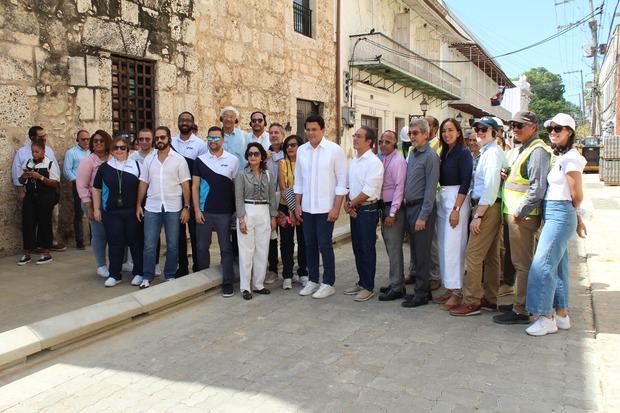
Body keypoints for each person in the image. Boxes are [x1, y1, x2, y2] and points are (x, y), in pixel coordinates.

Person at [525, 113, 587, 336]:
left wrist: (576, 215)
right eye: (550, 128)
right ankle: (560, 314)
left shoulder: (571, 158)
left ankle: (545, 316)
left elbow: (576, 194)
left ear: (569, 131)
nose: (553, 132)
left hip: (560, 212)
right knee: (558, 266)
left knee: (541, 265)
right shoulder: (562, 156)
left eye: (558, 129)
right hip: (556, 212)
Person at [493, 111, 552, 325]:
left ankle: (521, 309)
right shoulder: (524, 149)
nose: (515, 128)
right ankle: (520, 302)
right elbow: (521, 180)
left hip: (522, 217)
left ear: (533, 127)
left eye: (520, 125)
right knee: (519, 261)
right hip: (515, 213)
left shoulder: (537, 151)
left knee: (522, 263)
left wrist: (521, 211)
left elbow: (537, 188)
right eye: (513, 124)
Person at [450, 117, 506, 316]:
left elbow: (490, 187)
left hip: (487, 207)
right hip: (489, 206)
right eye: (477, 129)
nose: (479, 132)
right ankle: (489, 298)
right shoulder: (489, 152)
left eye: (484, 129)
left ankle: (472, 301)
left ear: (494, 131)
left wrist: (479, 215)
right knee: (491, 256)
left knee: (473, 255)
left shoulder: (491, 154)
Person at [295, 115, 348, 299]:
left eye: (314, 129)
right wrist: (297, 205)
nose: (311, 133)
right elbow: (299, 180)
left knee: (324, 244)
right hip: (308, 207)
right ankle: (313, 280)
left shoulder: (335, 150)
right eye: (308, 129)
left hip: (326, 208)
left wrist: (336, 208)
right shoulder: (302, 150)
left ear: (323, 130)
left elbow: (342, 182)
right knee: (309, 244)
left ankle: (328, 282)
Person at [136, 126, 191, 289]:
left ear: (169, 139)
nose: (159, 140)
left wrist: (186, 207)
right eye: (157, 138)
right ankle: (147, 276)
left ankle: (169, 275)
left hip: (173, 207)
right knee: (149, 244)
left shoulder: (179, 160)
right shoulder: (149, 159)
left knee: (173, 244)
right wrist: (138, 204)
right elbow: (143, 183)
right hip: (152, 207)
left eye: (162, 137)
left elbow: (185, 185)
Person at [192, 126, 239, 297]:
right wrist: (197, 210)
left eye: (216, 138)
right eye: (210, 138)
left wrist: (236, 211)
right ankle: (204, 281)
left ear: (223, 140)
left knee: (226, 249)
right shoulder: (200, 160)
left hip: (225, 213)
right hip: (204, 212)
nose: (213, 141)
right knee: (201, 247)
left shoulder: (233, 160)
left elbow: (235, 188)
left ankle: (228, 283)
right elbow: (194, 186)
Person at [92, 135, 143, 287]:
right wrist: (96, 209)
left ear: (128, 150)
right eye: (116, 148)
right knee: (115, 243)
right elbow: (96, 189)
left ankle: (139, 272)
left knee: (135, 242)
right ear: (112, 151)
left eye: (123, 148)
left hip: (132, 212)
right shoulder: (105, 168)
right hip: (111, 212)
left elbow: (143, 187)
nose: (119, 150)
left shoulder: (137, 165)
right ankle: (115, 274)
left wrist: (140, 206)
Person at [433, 118, 473, 310]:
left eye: (450, 130)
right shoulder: (445, 153)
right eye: (444, 131)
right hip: (444, 198)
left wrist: (456, 209)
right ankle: (448, 286)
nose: (446, 134)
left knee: (454, 246)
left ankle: (457, 291)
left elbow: (466, 182)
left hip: (457, 200)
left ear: (458, 132)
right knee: (443, 246)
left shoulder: (463, 154)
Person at [402, 118, 440, 308]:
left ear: (426, 134)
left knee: (423, 253)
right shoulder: (413, 153)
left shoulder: (430, 156)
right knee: (416, 253)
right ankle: (421, 289)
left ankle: (422, 293)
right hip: (410, 207)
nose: (412, 136)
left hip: (421, 209)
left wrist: (423, 216)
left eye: (416, 133)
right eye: (410, 133)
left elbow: (430, 189)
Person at [343, 126, 384, 302]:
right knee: (357, 248)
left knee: (367, 248)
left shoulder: (373, 163)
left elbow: (368, 191)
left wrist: (351, 204)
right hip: (355, 209)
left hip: (367, 209)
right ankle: (361, 281)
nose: (355, 138)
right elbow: (349, 186)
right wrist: (349, 204)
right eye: (354, 135)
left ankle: (368, 286)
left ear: (369, 141)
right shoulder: (355, 161)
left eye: (359, 136)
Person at [235, 142, 277, 300]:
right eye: (250, 154)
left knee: (262, 249)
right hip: (248, 210)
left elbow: (272, 197)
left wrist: (273, 217)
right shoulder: (241, 175)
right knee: (246, 250)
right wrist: (241, 219)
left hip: (264, 211)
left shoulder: (268, 175)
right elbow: (238, 197)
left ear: (262, 157)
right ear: (247, 156)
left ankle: (258, 284)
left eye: (256, 154)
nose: (253, 156)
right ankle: (245, 287)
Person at [12, 126, 64, 252]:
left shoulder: (49, 151)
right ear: (32, 138)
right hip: (31, 192)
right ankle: (32, 247)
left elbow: (54, 170)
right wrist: (20, 190)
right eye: (41, 137)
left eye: (44, 136)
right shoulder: (22, 153)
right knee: (30, 221)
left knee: (48, 220)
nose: (44, 138)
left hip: (47, 192)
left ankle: (47, 244)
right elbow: (16, 171)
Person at [172, 111, 208, 277]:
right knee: (179, 233)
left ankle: (198, 265)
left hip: (193, 194)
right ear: (178, 123)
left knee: (195, 232)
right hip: (175, 194)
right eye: (182, 120)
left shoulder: (200, 144)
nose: (184, 122)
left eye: (187, 120)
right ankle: (183, 266)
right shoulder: (171, 142)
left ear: (192, 123)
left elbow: (201, 171)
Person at [17, 140, 60, 265]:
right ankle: (27, 253)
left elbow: (54, 182)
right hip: (30, 197)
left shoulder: (49, 164)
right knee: (28, 223)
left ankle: (45, 253)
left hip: (45, 197)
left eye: (37, 152)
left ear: (43, 151)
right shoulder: (28, 163)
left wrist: (39, 177)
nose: (34, 154)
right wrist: (24, 176)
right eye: (33, 152)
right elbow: (20, 180)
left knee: (44, 223)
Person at [377, 130, 408, 301]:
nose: (383, 144)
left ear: (395, 143)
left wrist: (393, 212)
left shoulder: (398, 162)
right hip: (384, 207)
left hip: (392, 209)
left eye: (387, 142)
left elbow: (399, 188)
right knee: (390, 247)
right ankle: (396, 281)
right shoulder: (384, 159)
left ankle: (397, 287)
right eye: (381, 141)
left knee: (394, 248)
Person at [76, 130, 112, 277]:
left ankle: (121, 262)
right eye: (95, 141)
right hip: (93, 202)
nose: (98, 143)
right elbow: (81, 185)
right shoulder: (88, 161)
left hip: (111, 202)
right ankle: (101, 265)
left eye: (101, 140)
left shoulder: (112, 158)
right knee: (99, 234)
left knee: (115, 234)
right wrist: (89, 207)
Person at [130, 129, 162, 277]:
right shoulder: (132, 157)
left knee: (153, 234)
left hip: (154, 198)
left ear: (153, 140)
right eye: (141, 139)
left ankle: (154, 264)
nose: (144, 142)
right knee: (138, 234)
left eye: (147, 139)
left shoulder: (157, 155)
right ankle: (138, 264)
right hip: (137, 198)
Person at [278, 134, 307, 290]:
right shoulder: (282, 163)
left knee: (304, 240)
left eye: (293, 145)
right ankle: (287, 274)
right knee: (286, 241)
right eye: (287, 145)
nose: (290, 147)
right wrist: (292, 208)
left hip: (303, 207)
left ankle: (303, 272)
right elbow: (283, 188)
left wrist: (298, 208)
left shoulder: (306, 163)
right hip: (286, 207)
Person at [265, 123, 286, 284]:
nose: (274, 135)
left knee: (286, 236)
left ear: (282, 134)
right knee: (271, 236)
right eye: (271, 132)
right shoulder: (265, 154)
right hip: (268, 201)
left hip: (285, 201)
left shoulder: (289, 152)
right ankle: (272, 269)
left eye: (277, 132)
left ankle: (287, 270)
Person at [63, 129, 90, 249]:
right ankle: (80, 242)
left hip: (93, 186)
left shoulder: (92, 152)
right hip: (78, 185)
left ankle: (94, 239)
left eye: (88, 139)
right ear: (77, 140)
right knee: (79, 213)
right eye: (83, 139)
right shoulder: (71, 153)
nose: (85, 141)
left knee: (93, 211)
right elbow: (67, 170)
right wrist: (78, 182)